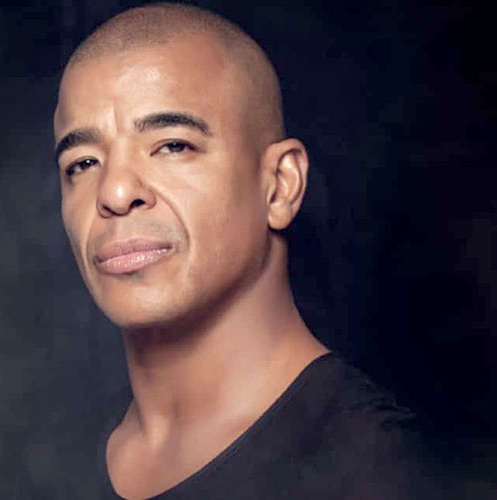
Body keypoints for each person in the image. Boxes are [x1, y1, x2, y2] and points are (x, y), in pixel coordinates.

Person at [49, 3, 441, 499]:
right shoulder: (43, 454)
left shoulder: (380, 471)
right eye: (83, 163)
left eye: (172, 146)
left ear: (280, 186)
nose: (115, 191)